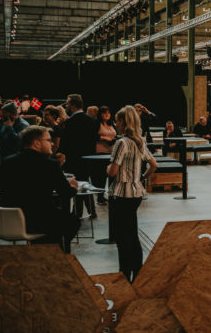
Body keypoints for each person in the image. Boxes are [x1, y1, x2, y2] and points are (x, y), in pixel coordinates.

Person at [0, 125, 80, 252]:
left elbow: (1, 188)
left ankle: (43, 250)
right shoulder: (50, 165)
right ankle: (54, 252)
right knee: (72, 221)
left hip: (7, 222)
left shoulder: (7, 162)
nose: (52, 143)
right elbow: (66, 193)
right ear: (36, 143)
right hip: (38, 222)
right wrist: (73, 187)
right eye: (48, 140)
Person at [105, 106, 156, 281]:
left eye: (117, 121)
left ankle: (124, 274)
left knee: (122, 237)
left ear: (122, 122)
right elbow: (154, 165)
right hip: (136, 193)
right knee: (132, 235)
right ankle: (137, 273)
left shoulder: (122, 143)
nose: (115, 124)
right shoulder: (140, 141)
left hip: (121, 194)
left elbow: (112, 171)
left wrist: (107, 168)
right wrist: (141, 178)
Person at [60, 93, 98, 218]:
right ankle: (91, 210)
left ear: (72, 105)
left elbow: (66, 143)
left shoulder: (70, 122)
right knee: (85, 184)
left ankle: (78, 212)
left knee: (76, 185)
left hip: (73, 159)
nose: (66, 106)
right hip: (88, 159)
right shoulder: (91, 121)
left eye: (67, 103)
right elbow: (93, 140)